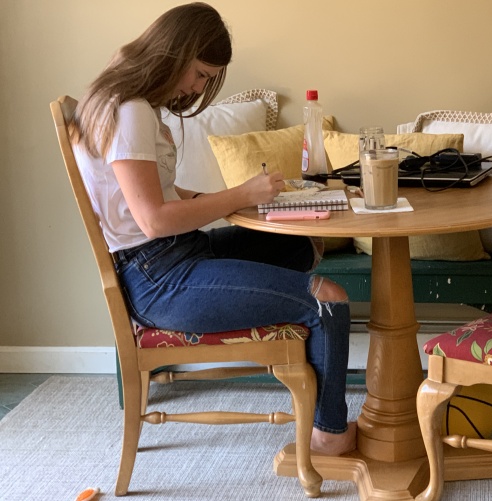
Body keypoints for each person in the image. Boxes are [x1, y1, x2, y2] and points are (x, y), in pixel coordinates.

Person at [70, 2, 355, 456]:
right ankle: (331, 435)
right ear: (174, 52)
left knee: (299, 248)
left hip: (169, 257)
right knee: (329, 300)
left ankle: (308, 371)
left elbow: (155, 193)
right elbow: (153, 219)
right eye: (200, 74)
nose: (197, 87)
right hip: (161, 277)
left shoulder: (116, 101)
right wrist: (239, 196)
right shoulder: (131, 112)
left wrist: (240, 200)